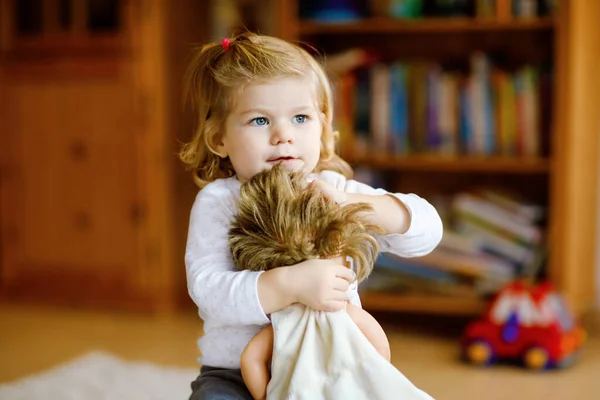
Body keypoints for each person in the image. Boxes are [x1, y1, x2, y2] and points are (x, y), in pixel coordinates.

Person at [180, 32, 443, 400]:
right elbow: (209, 290)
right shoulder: (219, 201)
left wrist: (354, 204)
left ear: (322, 128)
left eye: (300, 117)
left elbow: (428, 230)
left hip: (329, 365)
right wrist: (288, 285)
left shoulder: (332, 189)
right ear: (218, 138)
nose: (283, 135)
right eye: (259, 121)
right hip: (234, 373)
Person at [229, 165, 434, 400]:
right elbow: (379, 348)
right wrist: (374, 378)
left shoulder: (282, 319)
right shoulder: (344, 311)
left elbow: (250, 360)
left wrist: (265, 395)